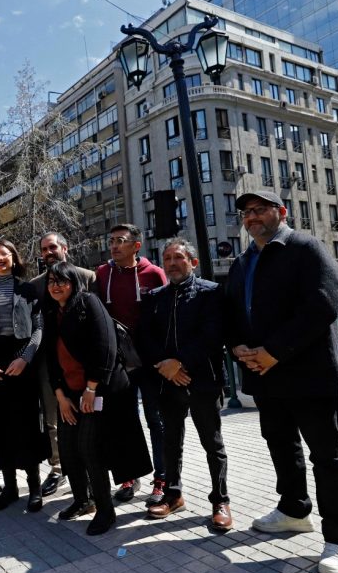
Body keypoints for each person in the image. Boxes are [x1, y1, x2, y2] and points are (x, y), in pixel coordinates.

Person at [225, 191, 338, 573]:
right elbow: (232, 311)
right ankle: (293, 510)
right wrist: (238, 348)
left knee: (327, 457)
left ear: (281, 212)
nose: (252, 217)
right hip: (267, 377)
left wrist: (274, 351)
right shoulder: (243, 261)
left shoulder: (306, 248)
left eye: (260, 210)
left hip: (310, 374)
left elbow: (322, 305)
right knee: (281, 445)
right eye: (247, 213)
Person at [45, 261, 150, 536]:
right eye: (52, 281)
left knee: (90, 449)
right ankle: (83, 500)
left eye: (62, 281)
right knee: (68, 449)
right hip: (69, 394)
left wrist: (91, 389)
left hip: (99, 391)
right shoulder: (51, 312)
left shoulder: (87, 302)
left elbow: (106, 347)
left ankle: (106, 510)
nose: (56, 286)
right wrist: (60, 395)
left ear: (73, 282)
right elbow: (50, 359)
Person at [139, 239, 232, 531]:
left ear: (192, 262)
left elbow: (213, 336)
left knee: (212, 443)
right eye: (166, 258)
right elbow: (144, 338)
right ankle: (173, 494)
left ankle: (221, 501)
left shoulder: (211, 292)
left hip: (202, 380)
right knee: (171, 441)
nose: (171, 263)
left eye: (178, 257)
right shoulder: (155, 296)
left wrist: (180, 364)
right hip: (167, 383)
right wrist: (164, 366)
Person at [0, 239, 50, 512]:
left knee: (26, 426)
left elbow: (39, 328)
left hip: (21, 362)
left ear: (13, 258)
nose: (0, 258)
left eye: (4, 254)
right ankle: (11, 489)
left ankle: (35, 487)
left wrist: (25, 358)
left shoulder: (27, 290)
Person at [95, 223, 167, 505]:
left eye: (120, 241)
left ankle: (162, 478)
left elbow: (165, 316)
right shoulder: (102, 274)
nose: (113, 246)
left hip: (151, 363)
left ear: (136, 246)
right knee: (124, 422)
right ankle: (129, 476)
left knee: (156, 421)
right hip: (119, 363)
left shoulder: (154, 273)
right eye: (111, 240)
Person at [29, 232, 97, 498]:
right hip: (50, 364)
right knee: (53, 417)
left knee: (89, 415)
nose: (48, 252)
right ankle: (59, 467)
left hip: (85, 365)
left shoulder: (88, 277)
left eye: (53, 247)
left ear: (65, 248)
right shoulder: (35, 285)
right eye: (44, 249)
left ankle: (92, 467)